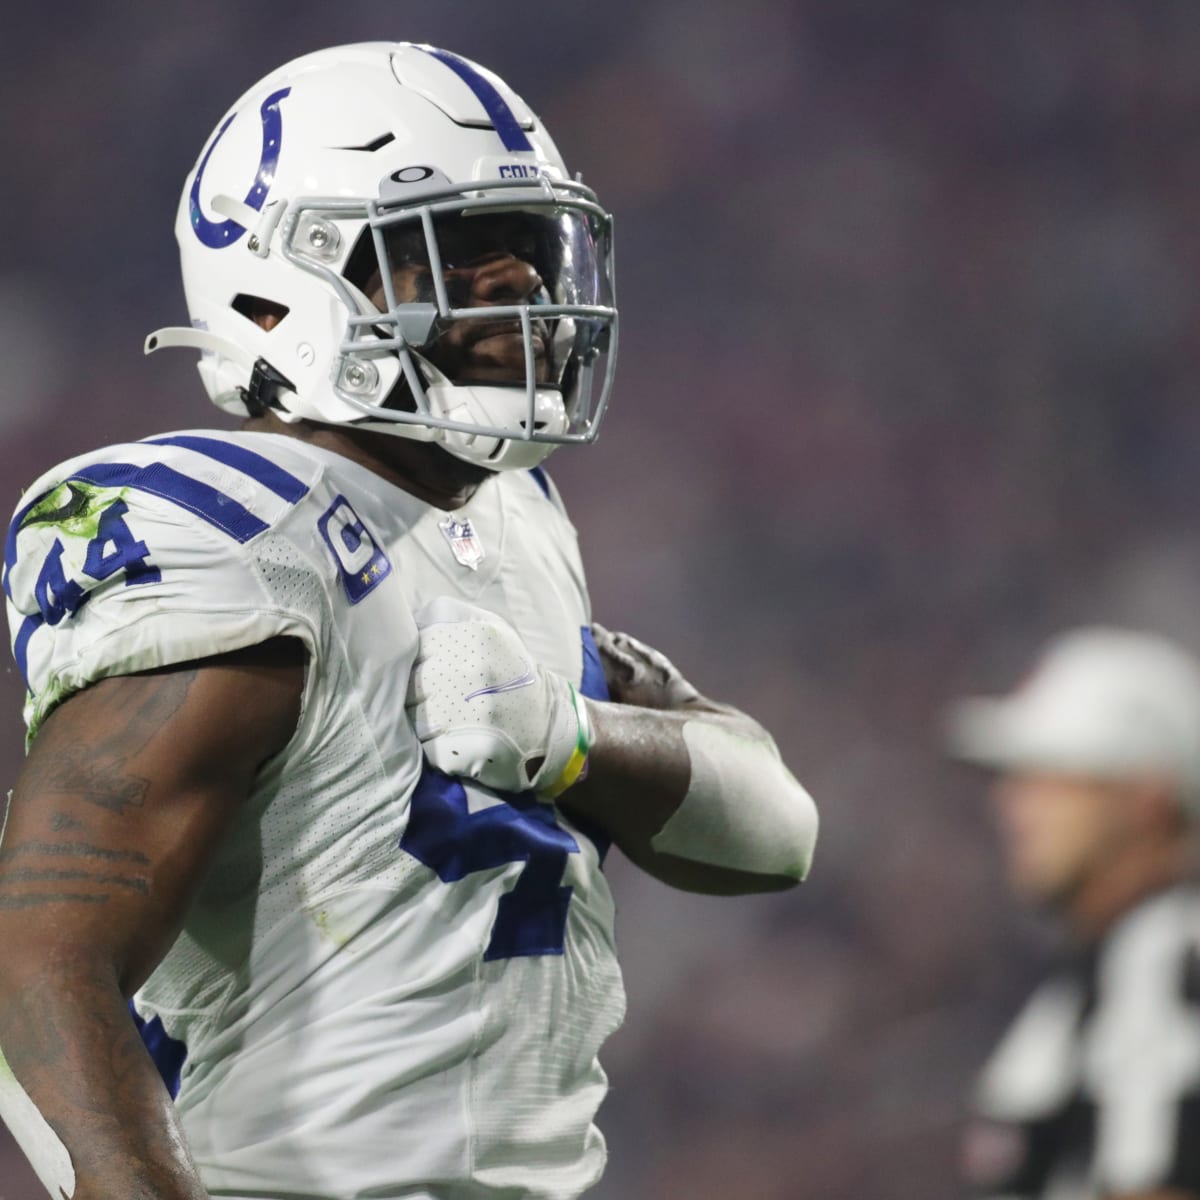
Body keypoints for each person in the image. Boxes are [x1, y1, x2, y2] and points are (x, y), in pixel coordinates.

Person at [0, 42, 818, 1200]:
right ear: (286, 284)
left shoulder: (516, 515)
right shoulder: (233, 534)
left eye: (527, 248)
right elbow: (45, 955)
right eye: (448, 251)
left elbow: (772, 835)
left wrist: (569, 739)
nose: (520, 288)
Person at [947, 627, 1200, 1200]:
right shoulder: (1103, 973)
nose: (1012, 803)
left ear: (1147, 798)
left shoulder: (1158, 958)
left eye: (1054, 778)